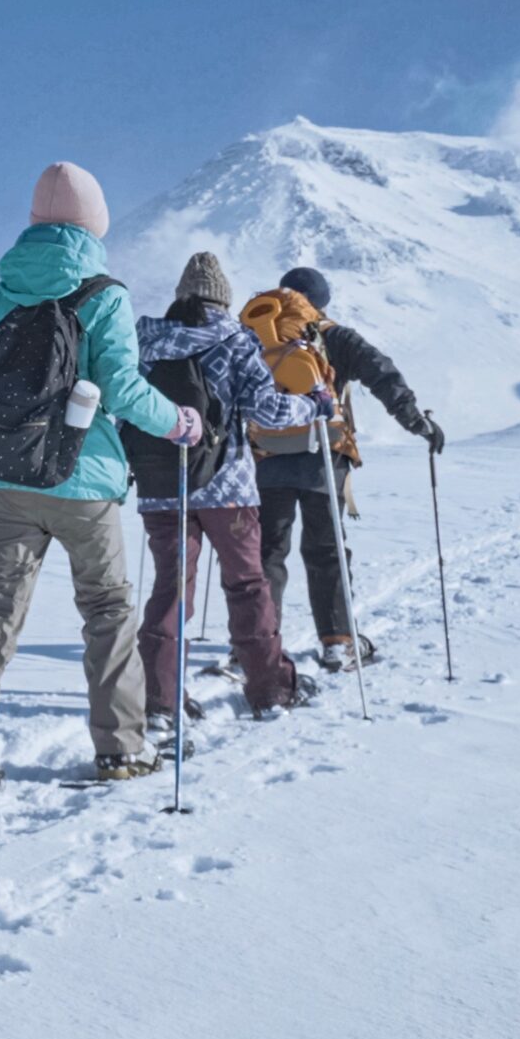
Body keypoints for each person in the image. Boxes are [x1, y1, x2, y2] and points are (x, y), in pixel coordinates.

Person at [0, 162, 199, 804]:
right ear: (94, 224)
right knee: (107, 609)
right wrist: (177, 422)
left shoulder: (2, 291)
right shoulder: (105, 293)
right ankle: (121, 749)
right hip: (80, 480)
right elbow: (122, 388)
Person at [134, 253, 323, 730]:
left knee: (171, 590)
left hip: (163, 487)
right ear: (223, 299)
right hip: (228, 488)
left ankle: (160, 700)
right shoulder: (236, 341)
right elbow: (267, 410)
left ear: (181, 294)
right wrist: (312, 407)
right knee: (247, 587)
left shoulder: (146, 341)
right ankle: (270, 689)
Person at [240, 266, 443, 672]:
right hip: (324, 457)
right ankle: (338, 642)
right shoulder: (332, 334)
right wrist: (417, 421)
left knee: (266, 553)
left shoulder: (253, 333)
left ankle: (257, 643)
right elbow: (381, 372)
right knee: (326, 549)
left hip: (266, 458)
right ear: (319, 301)